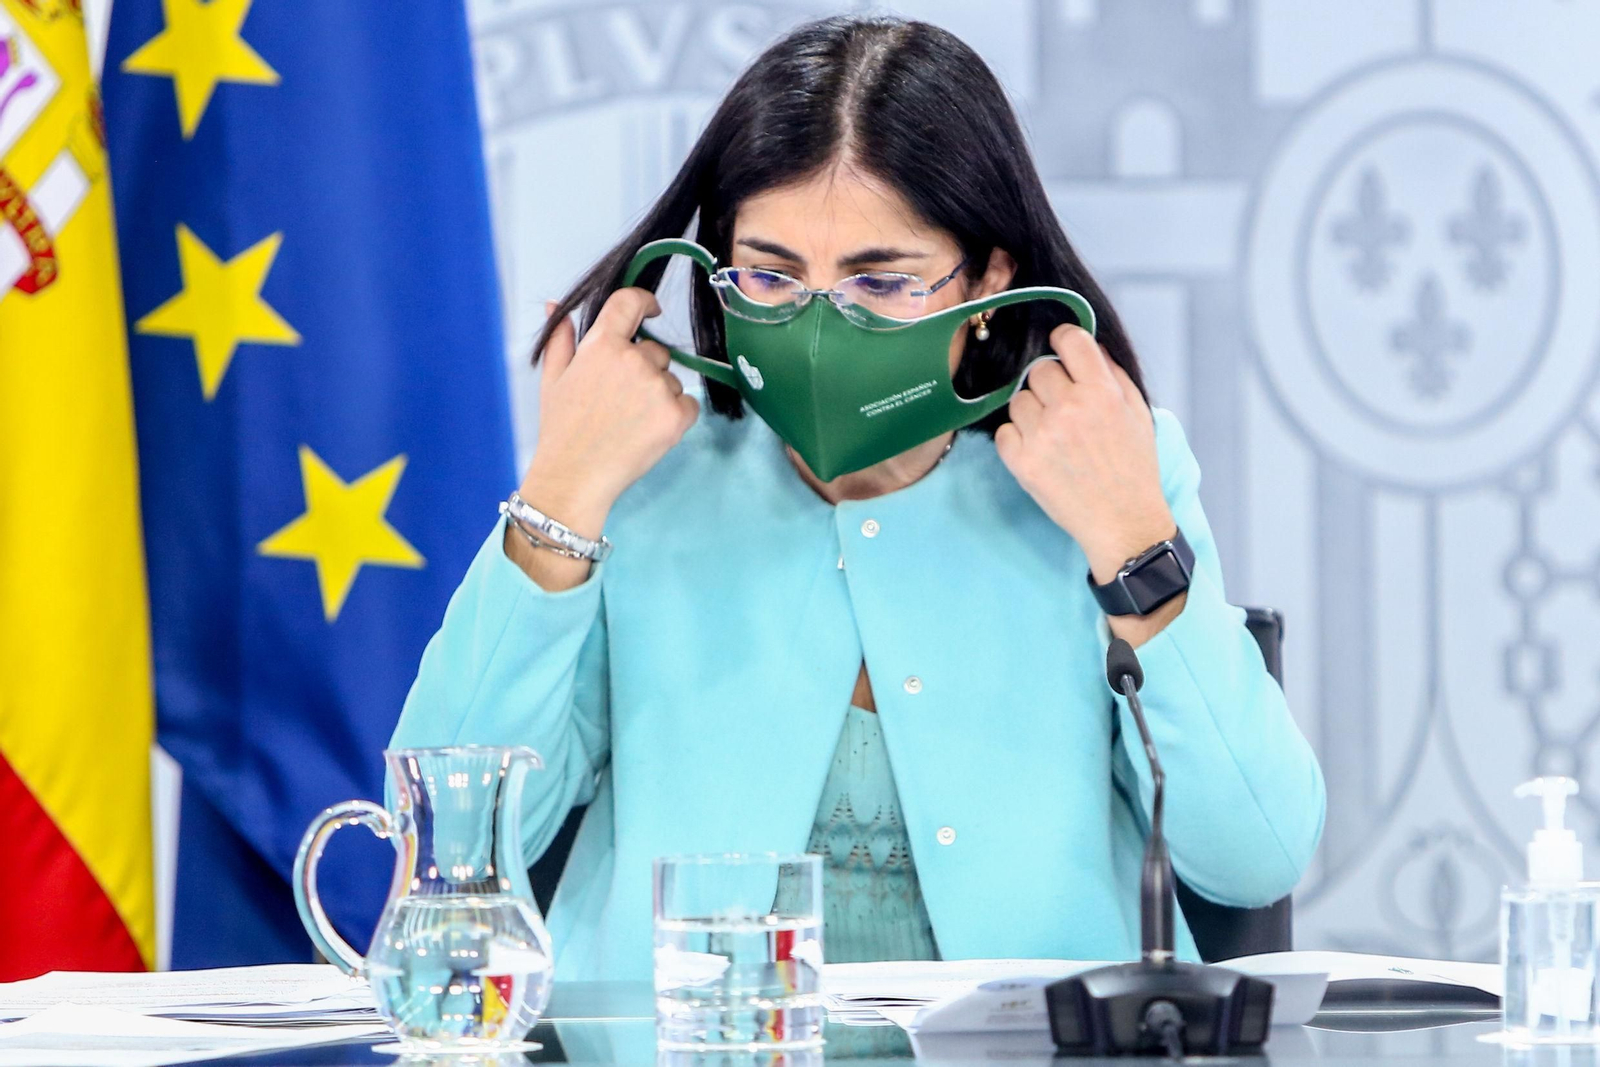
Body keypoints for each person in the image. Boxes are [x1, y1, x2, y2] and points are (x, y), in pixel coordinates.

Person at [391, 14, 1325, 981]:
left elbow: (1252, 857)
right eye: (771, 273)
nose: (819, 326)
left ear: (990, 280)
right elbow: (443, 851)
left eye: (880, 282)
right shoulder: (638, 479)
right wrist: (561, 495)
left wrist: (1134, 540)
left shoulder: (1109, 470)